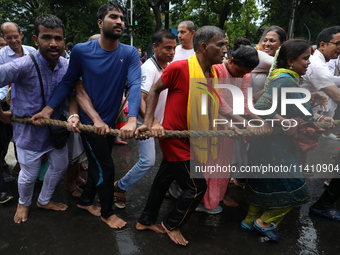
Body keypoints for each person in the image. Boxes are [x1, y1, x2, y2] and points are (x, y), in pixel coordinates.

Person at [32, 2, 141, 229]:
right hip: (90, 124)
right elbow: (69, 83)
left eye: (122, 17)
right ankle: (107, 213)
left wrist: (132, 121)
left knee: (97, 165)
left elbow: (136, 84)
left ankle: (84, 201)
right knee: (107, 167)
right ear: (101, 23)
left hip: (109, 123)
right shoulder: (82, 50)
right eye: (114, 16)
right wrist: (48, 110)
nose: (120, 21)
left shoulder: (129, 53)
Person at [135, 25, 231, 246]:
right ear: (205, 47)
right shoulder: (178, 68)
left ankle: (145, 220)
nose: (225, 49)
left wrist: (240, 122)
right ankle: (171, 224)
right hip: (174, 139)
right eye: (221, 44)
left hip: (195, 138)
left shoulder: (214, 73)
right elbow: (154, 91)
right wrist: (150, 122)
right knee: (197, 187)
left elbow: (215, 103)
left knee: (162, 181)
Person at [242, 39, 332, 242]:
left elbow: (293, 107)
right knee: (297, 190)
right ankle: (263, 223)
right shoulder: (285, 80)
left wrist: (316, 113)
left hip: (270, 146)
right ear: (291, 60)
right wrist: (284, 123)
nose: (308, 62)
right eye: (305, 58)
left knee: (264, 184)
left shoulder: (287, 79)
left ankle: (248, 222)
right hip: (275, 147)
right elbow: (263, 107)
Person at [0, 14, 69, 224]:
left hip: (56, 132)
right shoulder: (22, 65)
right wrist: (1, 114)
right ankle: (24, 202)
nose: (53, 43)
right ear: (35, 39)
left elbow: (76, 93)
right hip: (28, 134)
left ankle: (44, 199)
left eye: (58, 38)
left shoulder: (66, 66)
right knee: (29, 175)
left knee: (60, 166)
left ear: (64, 40)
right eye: (46, 37)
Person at [196, 44, 272, 214]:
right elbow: (220, 102)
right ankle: (204, 200)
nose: (241, 74)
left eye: (246, 72)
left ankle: (219, 196)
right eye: (239, 70)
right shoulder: (216, 70)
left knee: (224, 163)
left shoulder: (245, 74)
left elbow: (245, 103)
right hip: (212, 121)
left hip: (230, 125)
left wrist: (261, 121)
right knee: (209, 163)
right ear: (231, 60)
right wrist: (246, 124)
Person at [114, 29, 176, 209]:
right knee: (148, 161)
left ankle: (164, 185)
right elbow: (140, 99)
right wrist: (152, 122)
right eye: (167, 48)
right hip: (145, 124)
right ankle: (120, 187)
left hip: (163, 124)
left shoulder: (167, 66)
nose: (171, 52)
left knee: (172, 159)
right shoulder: (148, 68)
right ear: (155, 47)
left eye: (173, 48)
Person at [0, 22, 37, 180]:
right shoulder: (2, 56)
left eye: (16, 36)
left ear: (21, 35)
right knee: (13, 140)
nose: (13, 40)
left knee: (35, 141)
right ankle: (17, 172)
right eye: (8, 38)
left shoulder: (32, 51)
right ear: (3, 38)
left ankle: (28, 172)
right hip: (11, 103)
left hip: (34, 102)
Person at [301, 26, 340, 141]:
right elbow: (336, 96)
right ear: (323, 45)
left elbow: (329, 79)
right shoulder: (317, 65)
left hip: (306, 114)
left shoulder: (316, 61)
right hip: (300, 117)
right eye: (337, 44)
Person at [252, 26, 287, 101]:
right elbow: (290, 64)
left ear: (282, 45)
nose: (267, 44)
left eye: (272, 41)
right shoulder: (259, 55)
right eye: (265, 40)